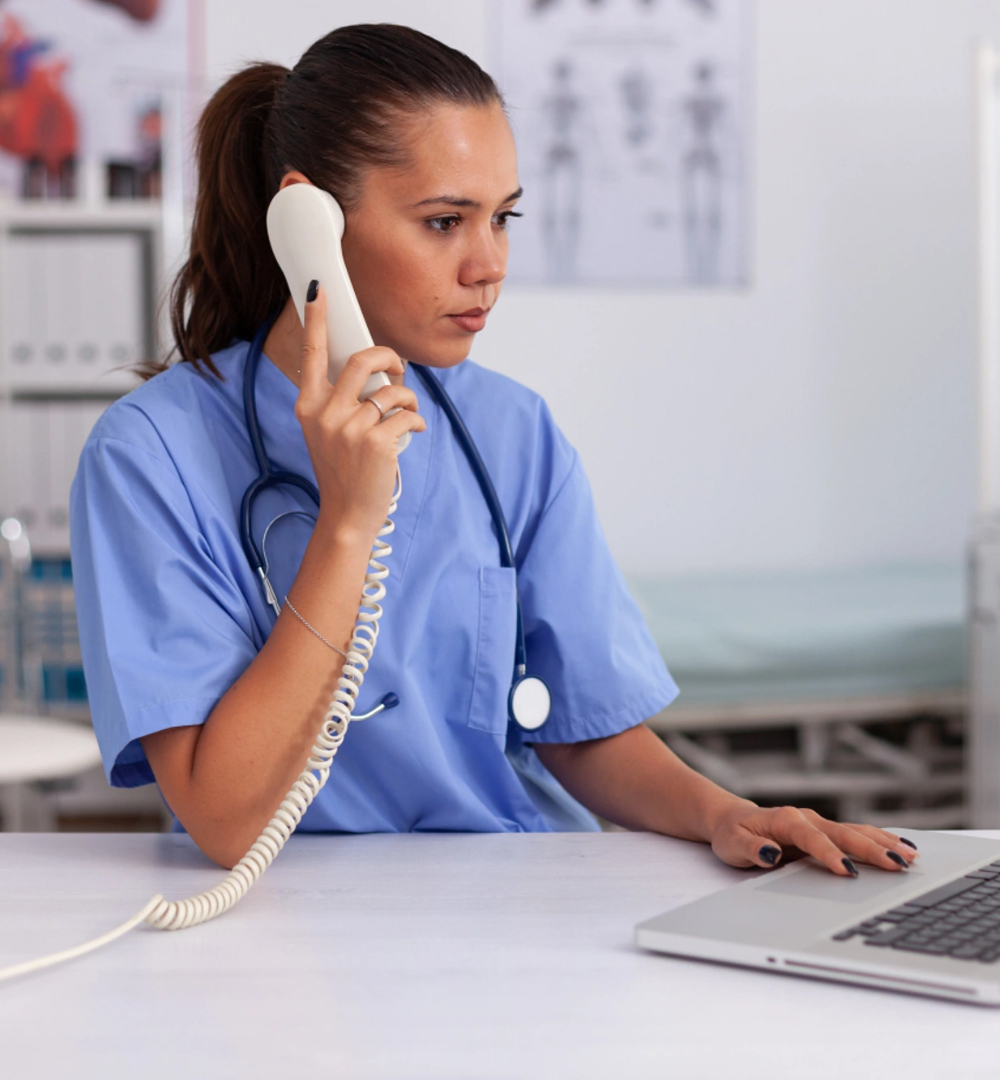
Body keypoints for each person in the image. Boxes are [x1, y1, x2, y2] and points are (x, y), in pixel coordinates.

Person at [70, 24, 918, 879]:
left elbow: (584, 733)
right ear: (309, 221)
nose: (489, 265)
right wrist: (346, 528)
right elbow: (224, 820)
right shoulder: (150, 457)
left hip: (515, 898)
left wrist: (727, 813)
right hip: (287, 931)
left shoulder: (514, 434)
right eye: (444, 222)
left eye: (502, 218)